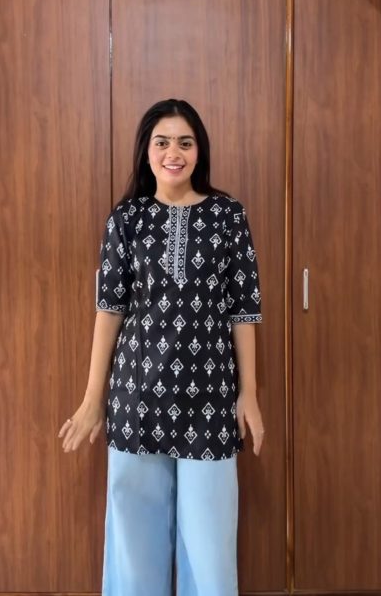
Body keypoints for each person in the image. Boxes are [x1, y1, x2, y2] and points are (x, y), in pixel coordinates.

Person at [58, 98, 265, 596]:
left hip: (210, 399)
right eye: (163, 142)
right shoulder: (126, 219)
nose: (174, 153)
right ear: (146, 151)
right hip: (137, 396)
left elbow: (244, 312)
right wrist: (93, 399)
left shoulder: (228, 216)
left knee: (210, 544)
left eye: (185, 143)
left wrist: (250, 394)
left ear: (199, 151)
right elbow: (109, 311)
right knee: (134, 542)